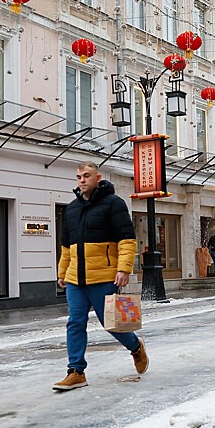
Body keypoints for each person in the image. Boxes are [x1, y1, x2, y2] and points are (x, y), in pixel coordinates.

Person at [54, 161, 149, 391]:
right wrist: (63, 272)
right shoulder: (72, 208)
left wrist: (124, 269)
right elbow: (67, 246)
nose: (82, 180)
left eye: (86, 176)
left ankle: (135, 347)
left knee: (112, 323)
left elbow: (126, 239)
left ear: (98, 178)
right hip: (76, 279)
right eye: (78, 177)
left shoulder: (113, 204)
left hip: (105, 277)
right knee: (75, 322)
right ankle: (76, 371)